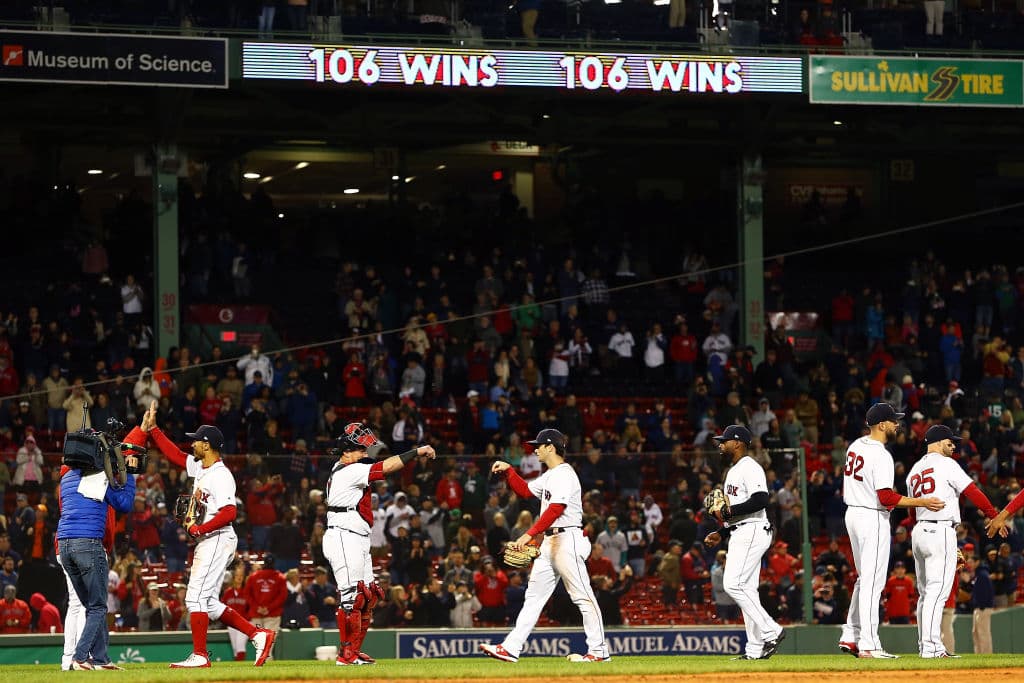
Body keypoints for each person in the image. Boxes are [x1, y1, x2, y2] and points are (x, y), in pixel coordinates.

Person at [143, 401, 275, 668]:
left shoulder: (221, 475)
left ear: (207, 445)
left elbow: (229, 512)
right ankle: (258, 634)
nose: (192, 445)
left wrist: (199, 529)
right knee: (209, 603)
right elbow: (176, 456)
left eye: (196, 442)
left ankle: (201, 656)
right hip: (210, 539)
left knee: (194, 598)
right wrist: (154, 430)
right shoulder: (202, 468)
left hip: (217, 537)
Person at [480, 428, 610, 663]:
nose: (535, 449)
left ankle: (599, 651)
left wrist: (528, 535)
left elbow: (555, 509)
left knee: (582, 596)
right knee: (533, 597)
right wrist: (509, 471)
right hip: (551, 541)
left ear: (551, 447)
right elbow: (525, 491)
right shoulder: (550, 475)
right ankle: (511, 647)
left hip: (567, 539)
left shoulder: (564, 474)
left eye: (539, 445)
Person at [323, 422, 436, 666]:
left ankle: (353, 651)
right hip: (344, 535)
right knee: (352, 598)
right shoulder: (347, 470)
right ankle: (345, 655)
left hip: (356, 536)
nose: (365, 455)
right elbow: (386, 467)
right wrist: (417, 451)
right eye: (361, 450)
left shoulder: (347, 467)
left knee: (368, 596)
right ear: (347, 450)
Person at [838, 403, 945, 659]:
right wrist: (922, 501)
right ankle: (869, 644)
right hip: (871, 516)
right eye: (893, 421)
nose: (897, 425)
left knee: (865, 579)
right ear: (882, 424)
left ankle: (850, 635)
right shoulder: (881, 455)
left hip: (853, 514)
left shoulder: (856, 445)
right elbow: (886, 498)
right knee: (873, 584)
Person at [56, 420, 143, 669]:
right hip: (87, 544)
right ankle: (80, 657)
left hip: (65, 546)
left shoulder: (67, 477)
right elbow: (124, 504)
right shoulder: (96, 477)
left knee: (90, 604)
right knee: (97, 606)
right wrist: (130, 474)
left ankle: (102, 659)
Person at [909, 424, 1002, 658]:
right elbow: (972, 491)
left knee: (925, 593)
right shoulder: (946, 464)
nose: (953, 445)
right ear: (938, 442)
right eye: (949, 442)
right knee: (937, 592)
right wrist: (994, 514)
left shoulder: (914, 470)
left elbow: (911, 510)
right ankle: (931, 648)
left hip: (919, 530)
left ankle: (925, 645)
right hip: (940, 530)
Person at [704, 425, 785, 661]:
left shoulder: (750, 467)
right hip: (741, 530)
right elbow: (736, 513)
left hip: (752, 531)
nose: (721, 444)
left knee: (733, 585)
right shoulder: (733, 471)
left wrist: (728, 514)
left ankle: (772, 630)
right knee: (747, 590)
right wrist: (722, 531)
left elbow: (761, 499)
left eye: (725, 441)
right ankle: (755, 650)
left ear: (737, 443)